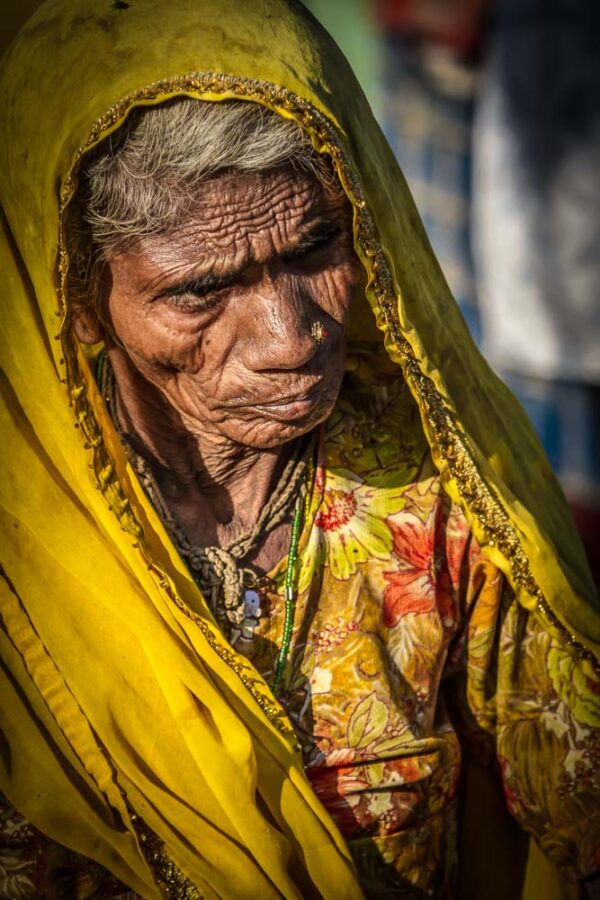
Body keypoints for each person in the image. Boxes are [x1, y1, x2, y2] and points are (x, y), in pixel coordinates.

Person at [0, 1, 598, 898]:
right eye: (201, 290)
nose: (290, 337)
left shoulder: (438, 480)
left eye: (317, 243)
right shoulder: (21, 549)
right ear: (77, 298)